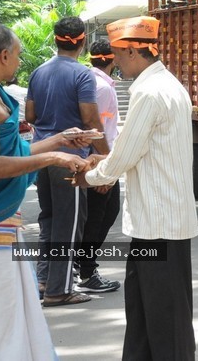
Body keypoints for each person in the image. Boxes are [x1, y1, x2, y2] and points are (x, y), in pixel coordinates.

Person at [71, 16, 198, 359]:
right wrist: (103, 167)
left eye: (116, 54)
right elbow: (133, 152)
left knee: (163, 320)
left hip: (160, 224)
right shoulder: (167, 84)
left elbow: (124, 154)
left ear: (131, 51)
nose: (113, 63)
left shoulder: (148, 91)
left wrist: (90, 175)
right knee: (145, 316)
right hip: (157, 222)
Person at [0, 24, 91, 359]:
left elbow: (15, 151)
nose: (19, 62)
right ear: (3, 55)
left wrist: (61, 140)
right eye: (17, 55)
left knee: (7, 314)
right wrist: (52, 156)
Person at [27, 16, 108, 307]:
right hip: (70, 159)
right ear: (83, 41)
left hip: (41, 155)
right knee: (70, 223)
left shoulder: (38, 72)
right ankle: (58, 290)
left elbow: (31, 117)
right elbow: (90, 118)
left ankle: (44, 279)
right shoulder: (83, 75)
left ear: (55, 40)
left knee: (48, 219)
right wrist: (106, 156)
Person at [74, 39, 122, 294]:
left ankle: (82, 266)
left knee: (99, 215)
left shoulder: (92, 80)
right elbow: (96, 129)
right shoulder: (102, 86)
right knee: (99, 216)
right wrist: (103, 171)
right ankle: (86, 271)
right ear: (113, 58)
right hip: (99, 159)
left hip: (96, 158)